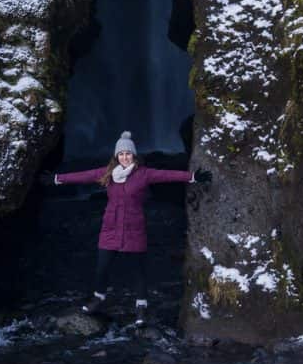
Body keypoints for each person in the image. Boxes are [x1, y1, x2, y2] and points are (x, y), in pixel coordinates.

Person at [40, 131, 212, 326]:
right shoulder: (107, 173)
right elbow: (83, 176)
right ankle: (98, 298)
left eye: (128, 154)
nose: (124, 157)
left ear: (134, 155)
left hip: (134, 228)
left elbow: (168, 175)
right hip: (110, 228)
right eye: (121, 154)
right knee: (102, 268)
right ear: (116, 156)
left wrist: (193, 176)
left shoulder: (144, 174)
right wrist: (57, 179)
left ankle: (141, 308)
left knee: (138, 271)